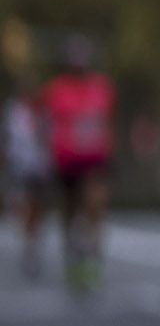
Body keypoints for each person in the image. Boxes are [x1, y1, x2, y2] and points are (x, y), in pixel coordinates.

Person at [39, 36, 116, 294]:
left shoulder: (101, 87)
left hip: (95, 160)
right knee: (70, 211)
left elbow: (108, 119)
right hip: (66, 161)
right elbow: (45, 123)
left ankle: (94, 256)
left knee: (95, 207)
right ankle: (71, 255)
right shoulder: (57, 90)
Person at [4, 79, 50, 280]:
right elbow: (8, 140)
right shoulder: (15, 113)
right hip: (20, 168)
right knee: (27, 207)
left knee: (37, 210)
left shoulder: (46, 114)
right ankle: (29, 245)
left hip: (40, 169)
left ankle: (32, 246)